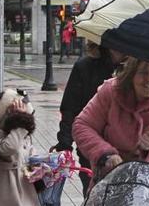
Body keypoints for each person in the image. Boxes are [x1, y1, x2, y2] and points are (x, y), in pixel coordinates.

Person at [72, 57, 149, 186]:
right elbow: (82, 125)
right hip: (111, 183)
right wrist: (105, 154)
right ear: (131, 74)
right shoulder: (111, 92)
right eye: (143, 72)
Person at [52, 41, 126, 195]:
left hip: (126, 148)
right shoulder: (85, 67)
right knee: (94, 195)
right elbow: (70, 107)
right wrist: (65, 144)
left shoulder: (137, 69)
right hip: (92, 145)